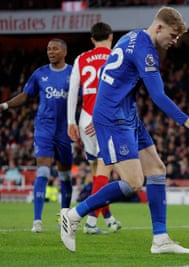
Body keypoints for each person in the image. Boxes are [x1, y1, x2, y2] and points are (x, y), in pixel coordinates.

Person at [60, 6, 189, 253]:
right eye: (173, 35)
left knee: (157, 169)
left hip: (125, 114)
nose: (174, 41)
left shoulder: (130, 36)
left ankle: (160, 239)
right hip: (113, 118)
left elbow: (112, 78)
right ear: (159, 27)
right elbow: (158, 96)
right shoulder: (146, 51)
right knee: (134, 182)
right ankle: (75, 214)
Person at [0, 38, 73, 233]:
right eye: (49, 49)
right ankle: (37, 221)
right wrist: (5, 105)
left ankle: (65, 216)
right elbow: (25, 95)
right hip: (44, 128)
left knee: (65, 175)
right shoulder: (40, 74)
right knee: (43, 170)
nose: (51, 51)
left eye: (55, 48)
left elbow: (84, 98)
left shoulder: (74, 73)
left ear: (64, 52)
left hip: (65, 130)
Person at [67, 21, 121, 235]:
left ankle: (108, 218)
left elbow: (73, 91)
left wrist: (71, 121)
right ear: (110, 37)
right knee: (105, 172)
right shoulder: (116, 57)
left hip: (83, 119)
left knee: (95, 173)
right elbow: (119, 93)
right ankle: (89, 222)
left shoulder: (81, 58)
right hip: (105, 119)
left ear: (92, 39)